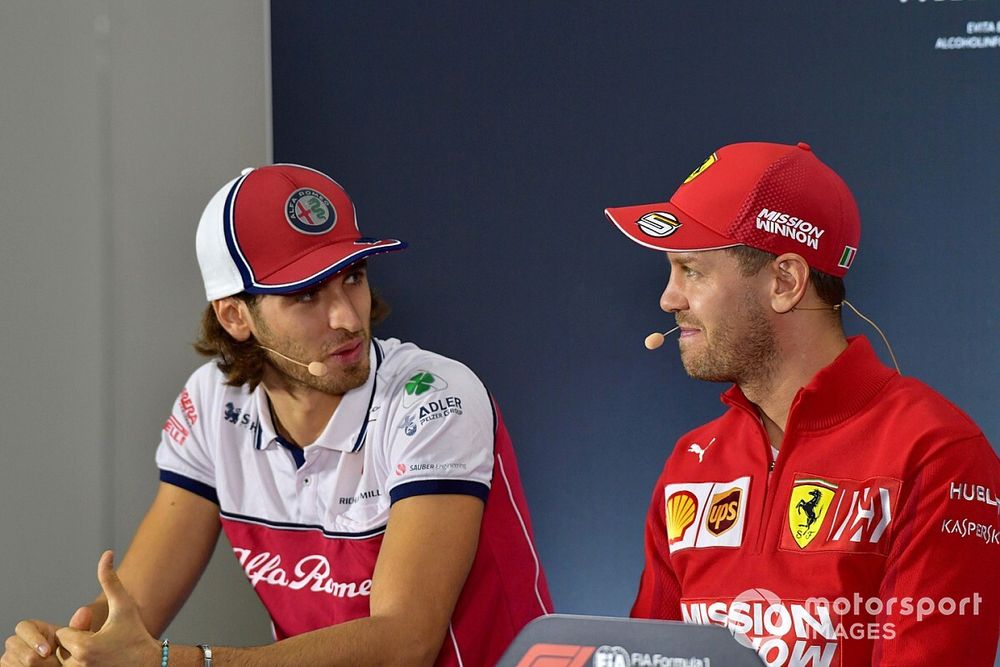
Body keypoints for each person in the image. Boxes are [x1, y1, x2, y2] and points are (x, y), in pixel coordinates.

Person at [2, 164, 551, 667]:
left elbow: (403, 644)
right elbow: (133, 612)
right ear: (235, 316)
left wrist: (175, 664)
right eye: (307, 294)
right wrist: (66, 650)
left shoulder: (435, 396)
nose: (347, 318)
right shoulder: (213, 405)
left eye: (353, 277)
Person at [604, 141, 999, 666]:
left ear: (785, 281)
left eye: (691, 270)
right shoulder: (691, 461)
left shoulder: (934, 452)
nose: (669, 298)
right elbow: (647, 657)